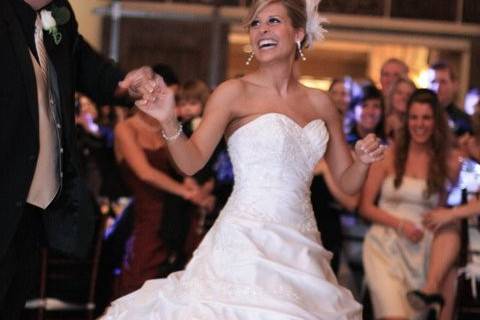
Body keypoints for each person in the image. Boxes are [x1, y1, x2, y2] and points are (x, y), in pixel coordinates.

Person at [101, 0, 385, 318]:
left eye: (273, 21)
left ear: (298, 33)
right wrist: (169, 121)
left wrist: (361, 160)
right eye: (255, 23)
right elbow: (191, 162)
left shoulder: (321, 103)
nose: (261, 29)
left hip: (301, 247)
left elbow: (347, 182)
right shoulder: (233, 93)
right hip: (244, 241)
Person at [0, 0, 153, 318]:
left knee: (12, 303)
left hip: (31, 205)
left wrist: (126, 83)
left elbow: (91, 70)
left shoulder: (59, 19)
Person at [359, 89, 460, 320]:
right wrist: (400, 224)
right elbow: (365, 206)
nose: (420, 124)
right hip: (384, 243)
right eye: (414, 117)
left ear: (436, 122)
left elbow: (441, 212)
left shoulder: (447, 164)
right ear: (407, 121)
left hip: (421, 249)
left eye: (426, 118)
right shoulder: (386, 156)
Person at [113, 107, 204, 297]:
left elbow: (182, 167)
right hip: (146, 215)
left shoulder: (165, 128)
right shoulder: (125, 128)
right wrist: (184, 192)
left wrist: (189, 183)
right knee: (139, 279)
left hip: (175, 214)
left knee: (178, 281)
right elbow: (145, 173)